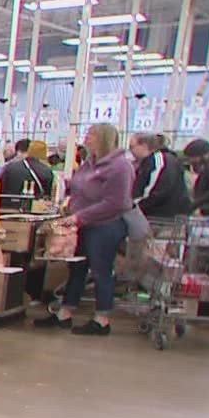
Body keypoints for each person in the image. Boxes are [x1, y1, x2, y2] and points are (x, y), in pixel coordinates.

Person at [36, 122, 133, 335]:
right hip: (82, 225)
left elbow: (116, 202)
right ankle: (65, 313)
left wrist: (80, 216)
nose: (86, 138)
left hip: (105, 226)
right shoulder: (90, 162)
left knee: (101, 271)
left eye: (91, 134)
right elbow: (81, 186)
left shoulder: (120, 167)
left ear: (103, 138)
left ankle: (102, 319)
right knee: (76, 269)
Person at [129, 132, 188, 219]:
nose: (130, 151)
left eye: (132, 147)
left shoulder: (159, 161)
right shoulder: (149, 162)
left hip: (162, 216)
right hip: (160, 215)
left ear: (144, 146)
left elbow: (155, 190)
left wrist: (132, 205)